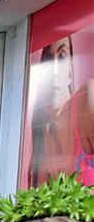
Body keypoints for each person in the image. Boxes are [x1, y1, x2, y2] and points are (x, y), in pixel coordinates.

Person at [27, 36, 94, 186]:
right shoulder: (43, 140)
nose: (54, 72)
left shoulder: (87, 99)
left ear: (70, 72)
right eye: (48, 61)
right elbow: (36, 206)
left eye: (62, 56)